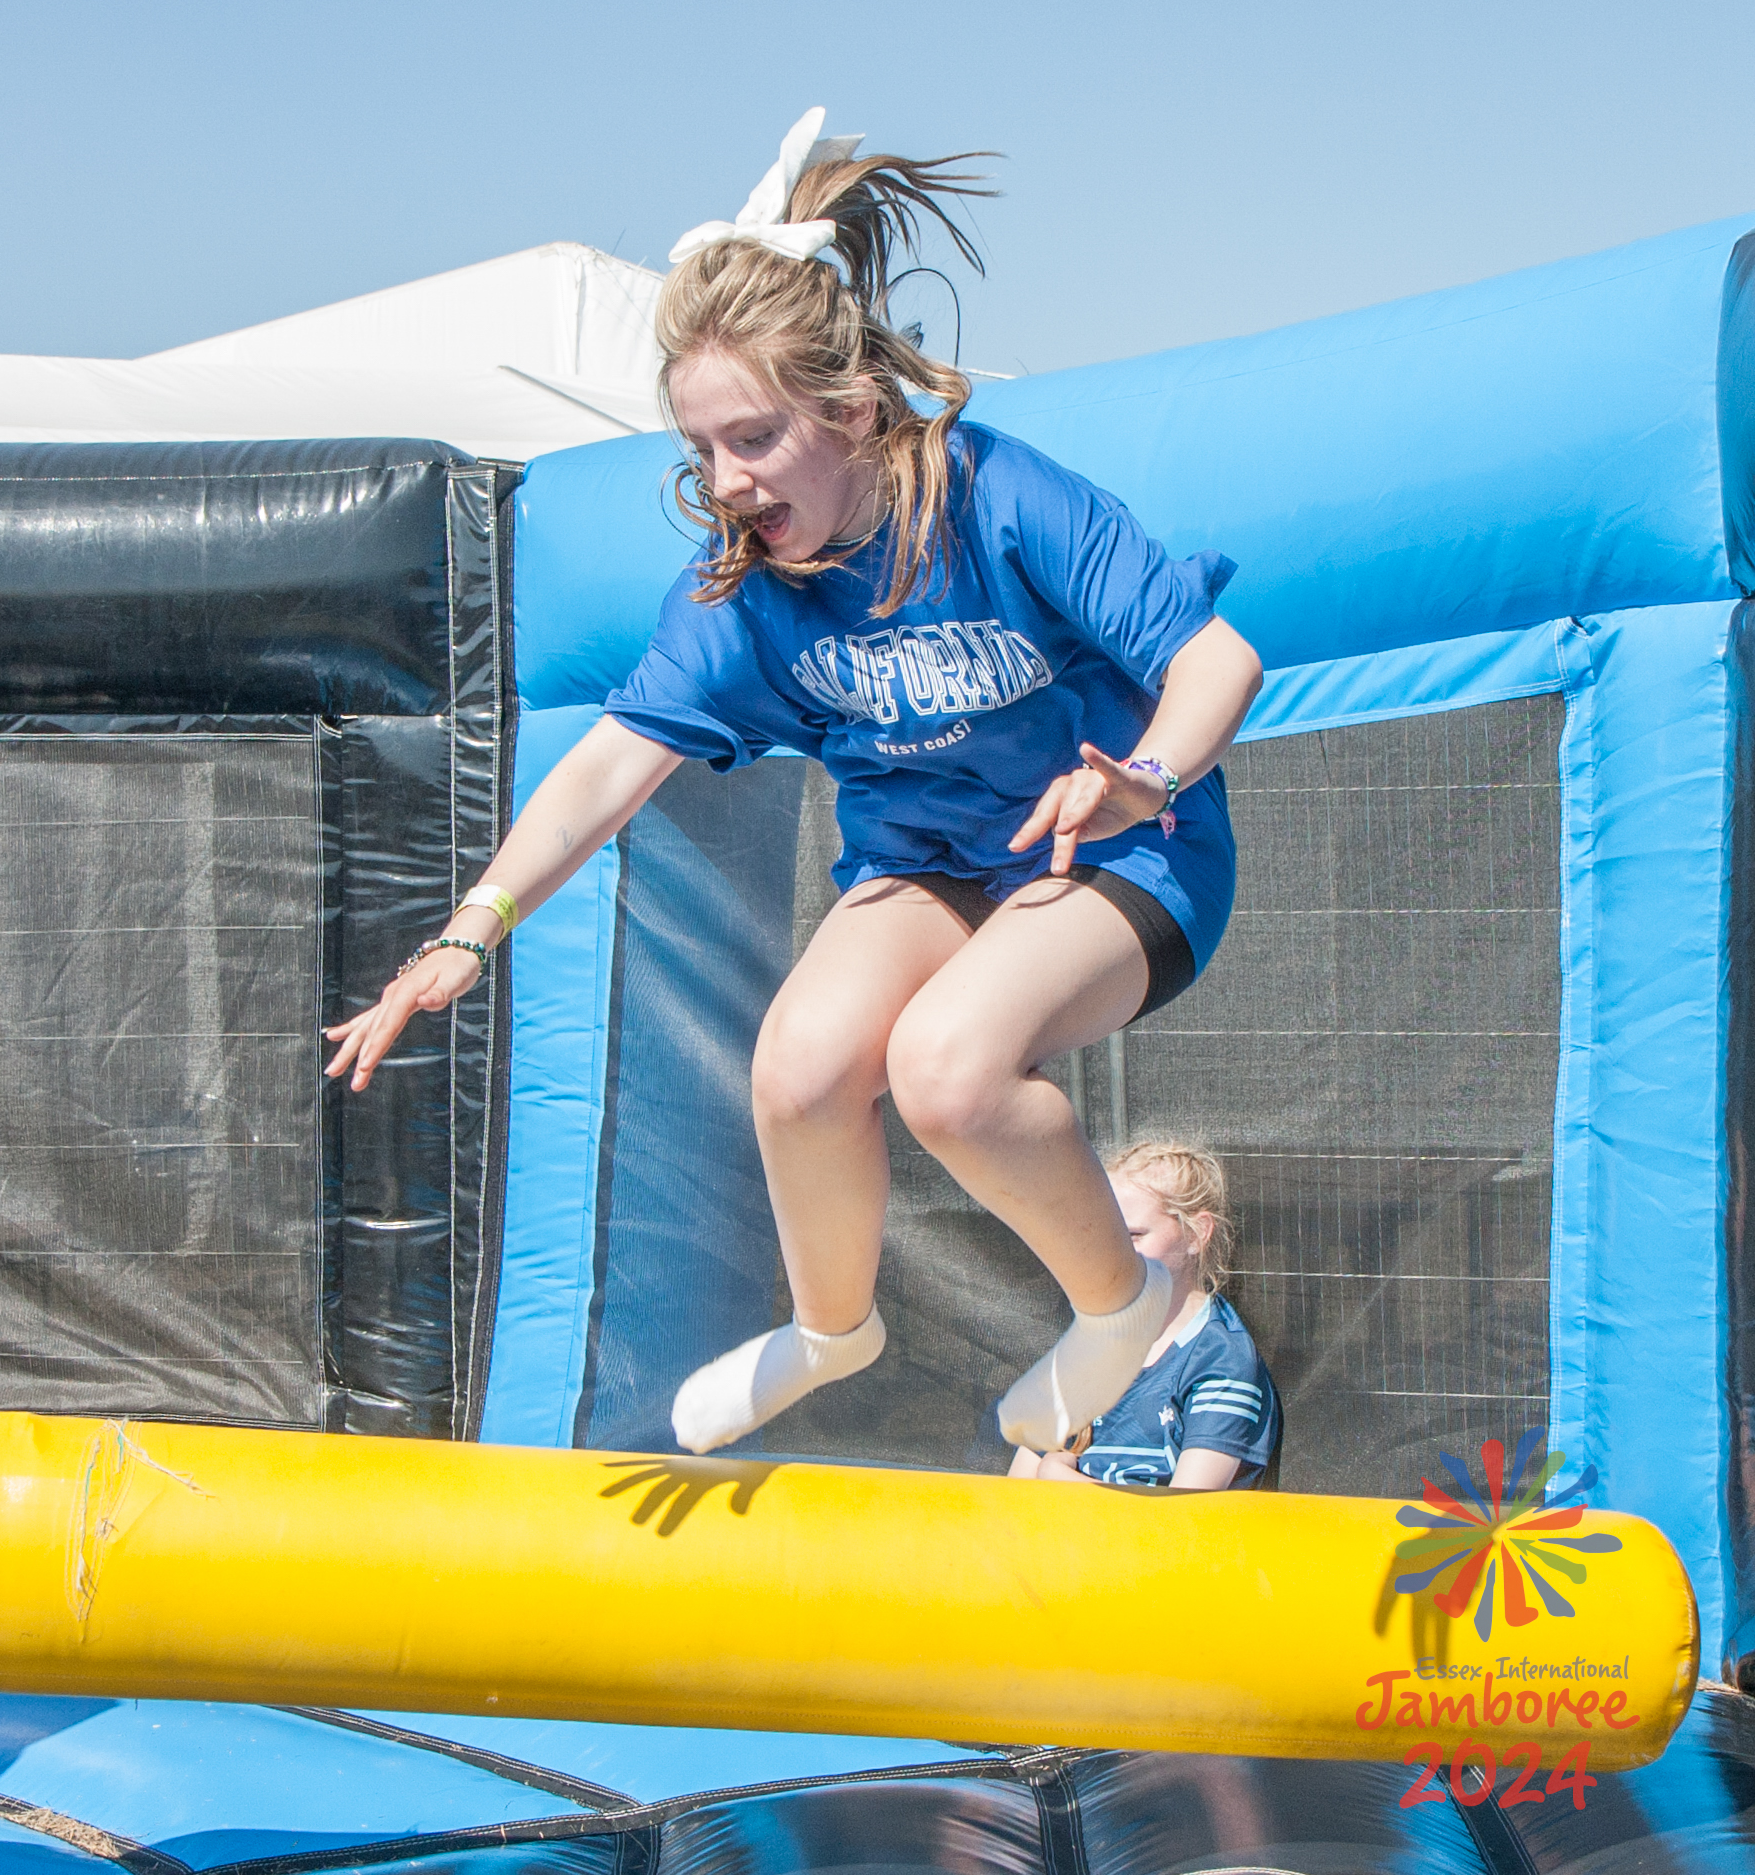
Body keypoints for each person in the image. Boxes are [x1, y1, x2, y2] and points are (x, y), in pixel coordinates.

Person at [325, 109, 1264, 1459]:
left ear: (850, 411)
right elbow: (606, 765)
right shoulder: (747, 592)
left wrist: (1145, 775)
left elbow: (1215, 659)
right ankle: (833, 1332)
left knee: (944, 1068)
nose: (724, 481)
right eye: (701, 448)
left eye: (753, 439)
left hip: (1114, 848)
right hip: (937, 862)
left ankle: (1116, 1311)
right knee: (800, 1067)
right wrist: (472, 923)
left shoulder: (1001, 500)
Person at [1009, 1140, 1280, 1490]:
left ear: (1197, 1233)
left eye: (1134, 1235)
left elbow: (1182, 1519)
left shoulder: (1221, 1362)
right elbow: (1016, 1493)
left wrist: (1060, 1480)